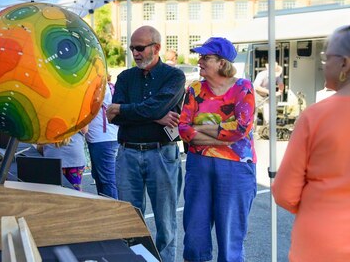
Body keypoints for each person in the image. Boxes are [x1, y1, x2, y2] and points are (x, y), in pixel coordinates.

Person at [106, 25, 186, 262]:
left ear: (156, 47)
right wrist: (155, 115)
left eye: (140, 48)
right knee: (128, 219)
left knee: (165, 220)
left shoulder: (174, 76)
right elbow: (114, 116)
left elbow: (126, 111)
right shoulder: (125, 77)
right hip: (127, 152)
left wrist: (128, 110)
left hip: (161, 153)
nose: (135, 53)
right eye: (132, 48)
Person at [272, 25, 350, 262]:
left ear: (345, 64)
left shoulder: (316, 116)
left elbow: (285, 192)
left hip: (324, 239)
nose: (324, 64)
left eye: (327, 58)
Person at [178, 37, 257, 262]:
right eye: (200, 57)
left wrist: (199, 130)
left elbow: (241, 128)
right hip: (199, 167)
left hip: (235, 169)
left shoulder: (243, 87)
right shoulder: (194, 89)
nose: (200, 61)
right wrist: (223, 139)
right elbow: (183, 129)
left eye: (206, 57)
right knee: (194, 237)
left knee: (230, 238)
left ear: (222, 63)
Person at [85, 82, 119, 198]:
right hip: (101, 138)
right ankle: (107, 209)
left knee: (107, 180)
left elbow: (90, 105)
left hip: (103, 139)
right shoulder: (103, 84)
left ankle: (113, 212)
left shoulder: (99, 85)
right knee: (100, 178)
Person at [42, 126, 88, 191]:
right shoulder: (76, 114)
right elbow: (84, 130)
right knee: (75, 193)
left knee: (54, 191)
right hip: (74, 153)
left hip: (53, 153)